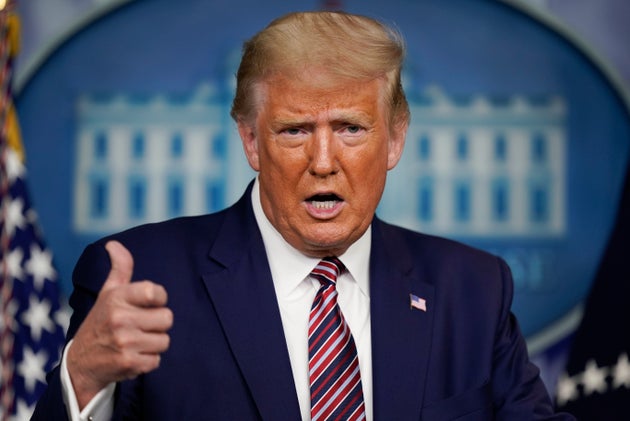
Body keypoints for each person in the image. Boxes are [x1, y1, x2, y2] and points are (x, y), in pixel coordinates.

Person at [33, 10, 574, 420]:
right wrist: (84, 376)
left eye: (350, 128)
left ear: (395, 139)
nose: (323, 163)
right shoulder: (145, 281)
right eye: (294, 130)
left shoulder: (472, 290)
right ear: (250, 140)